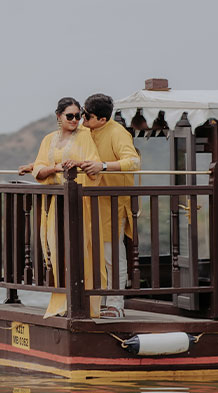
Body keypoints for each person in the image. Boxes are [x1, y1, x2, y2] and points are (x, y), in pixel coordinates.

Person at [32, 97, 104, 318]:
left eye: (78, 116)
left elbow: (94, 166)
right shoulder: (48, 139)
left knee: (81, 250)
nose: (75, 120)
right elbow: (39, 169)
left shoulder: (85, 137)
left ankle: (83, 304)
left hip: (79, 202)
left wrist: (78, 164)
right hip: (58, 202)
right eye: (69, 116)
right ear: (58, 116)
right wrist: (55, 168)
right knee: (57, 251)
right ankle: (61, 302)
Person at [79, 93, 141, 318]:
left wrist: (103, 166)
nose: (82, 118)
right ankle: (97, 301)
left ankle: (116, 304)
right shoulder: (86, 132)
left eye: (87, 115)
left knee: (111, 254)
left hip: (112, 203)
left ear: (102, 119)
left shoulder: (117, 133)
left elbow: (133, 162)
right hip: (88, 203)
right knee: (90, 254)